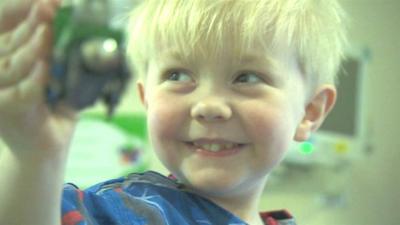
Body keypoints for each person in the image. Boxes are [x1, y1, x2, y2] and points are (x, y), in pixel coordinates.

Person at [0, 0, 347, 224]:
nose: (208, 105)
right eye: (177, 75)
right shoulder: (134, 212)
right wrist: (36, 158)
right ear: (147, 98)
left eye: (247, 77)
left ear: (309, 112)